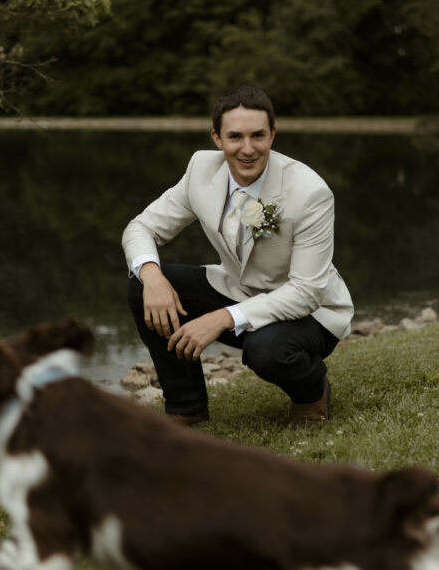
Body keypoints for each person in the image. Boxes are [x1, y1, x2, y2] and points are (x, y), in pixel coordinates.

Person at [123, 85, 354, 427]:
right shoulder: (202, 169)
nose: (248, 149)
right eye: (235, 137)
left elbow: (306, 292)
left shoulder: (310, 193)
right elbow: (141, 227)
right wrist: (153, 277)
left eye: (258, 135)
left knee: (266, 350)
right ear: (217, 138)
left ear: (273, 134)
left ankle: (312, 389)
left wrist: (221, 319)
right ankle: (187, 407)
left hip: (312, 312)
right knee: (142, 284)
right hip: (238, 288)